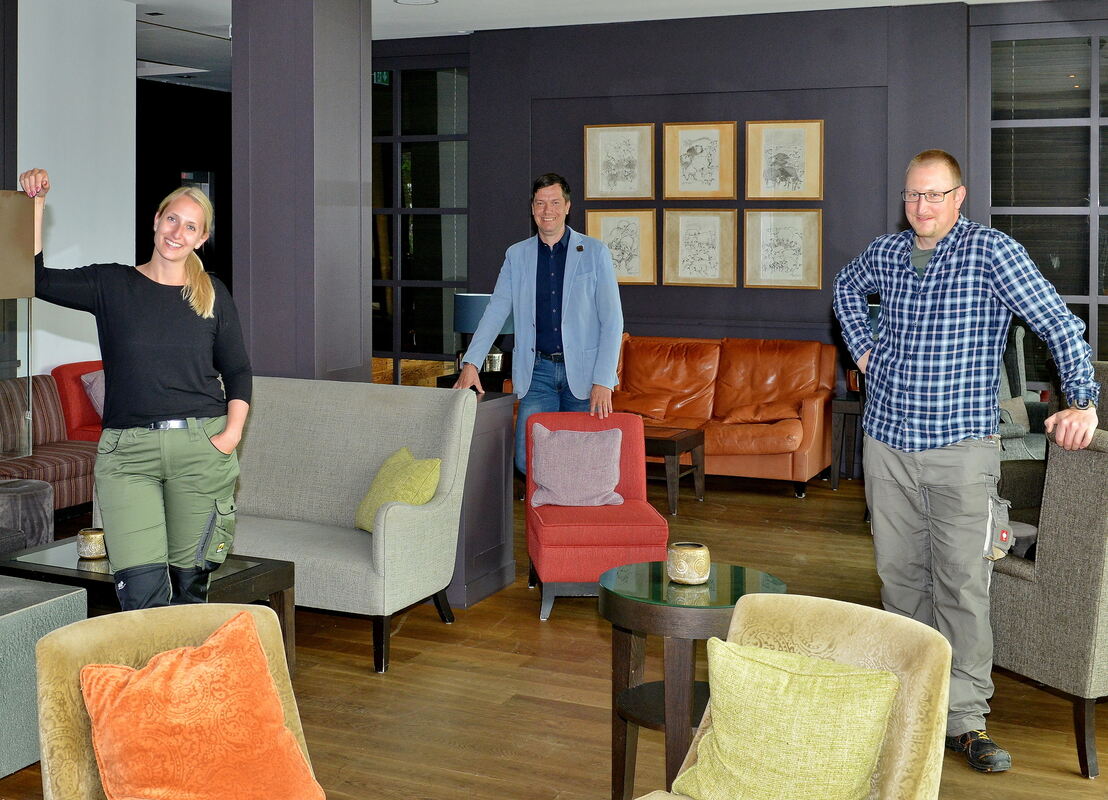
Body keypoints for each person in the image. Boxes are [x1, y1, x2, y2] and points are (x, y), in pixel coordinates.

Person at [833, 150, 1100, 773]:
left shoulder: (991, 252)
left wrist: (1082, 400)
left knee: (961, 584)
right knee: (901, 581)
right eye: (912, 195)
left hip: (960, 449)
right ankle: (910, 703)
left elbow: (1057, 323)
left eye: (934, 195)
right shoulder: (888, 252)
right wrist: (864, 349)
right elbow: (846, 287)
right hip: (887, 443)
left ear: (959, 197)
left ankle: (964, 720)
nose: (921, 207)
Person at [21, 168, 252, 611]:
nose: (177, 233)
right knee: (141, 594)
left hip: (200, 448)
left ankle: (185, 660)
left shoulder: (213, 294)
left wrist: (231, 436)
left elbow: (238, 369)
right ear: (156, 220)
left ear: (201, 239)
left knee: (189, 591)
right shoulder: (112, 284)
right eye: (172, 219)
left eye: (190, 227)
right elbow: (37, 280)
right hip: (127, 456)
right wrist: (36, 205)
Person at [454, 173, 623, 472]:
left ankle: (566, 505)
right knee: (527, 459)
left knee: (582, 462)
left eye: (555, 202)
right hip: (537, 373)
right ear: (532, 208)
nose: (548, 210)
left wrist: (603, 380)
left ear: (567, 206)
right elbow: (495, 311)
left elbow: (612, 321)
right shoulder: (516, 255)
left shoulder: (595, 252)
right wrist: (471, 364)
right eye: (541, 203)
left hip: (585, 377)